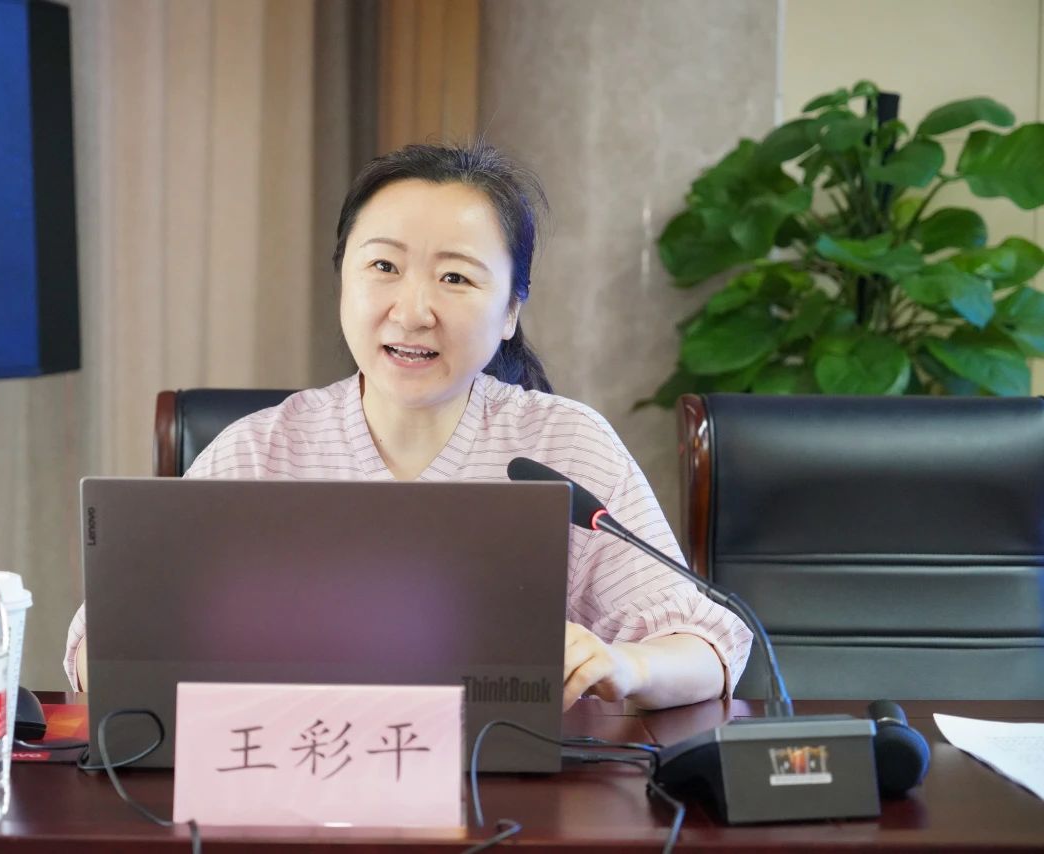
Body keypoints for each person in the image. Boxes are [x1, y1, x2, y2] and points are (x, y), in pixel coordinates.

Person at [65, 142, 752, 709]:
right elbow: (101, 649)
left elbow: (710, 646)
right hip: (291, 789)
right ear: (343, 281)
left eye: (456, 278)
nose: (414, 310)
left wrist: (625, 665)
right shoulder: (262, 449)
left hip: (506, 799)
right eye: (384, 266)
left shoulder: (561, 445)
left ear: (511, 311)